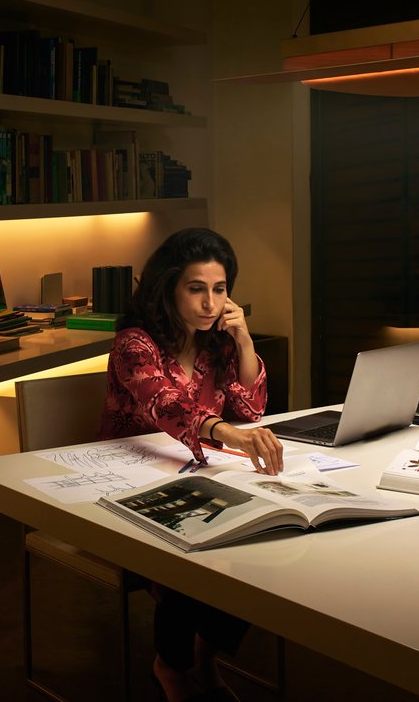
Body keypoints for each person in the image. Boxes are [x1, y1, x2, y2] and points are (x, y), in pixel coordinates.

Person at [98, 227, 283, 702]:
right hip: (123, 481)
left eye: (219, 289)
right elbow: (166, 404)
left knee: (263, 538)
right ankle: (171, 665)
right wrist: (226, 433)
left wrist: (243, 342)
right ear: (169, 288)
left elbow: (251, 411)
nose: (210, 303)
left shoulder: (216, 342)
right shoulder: (135, 345)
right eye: (196, 288)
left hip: (193, 472)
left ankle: (204, 656)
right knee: (192, 544)